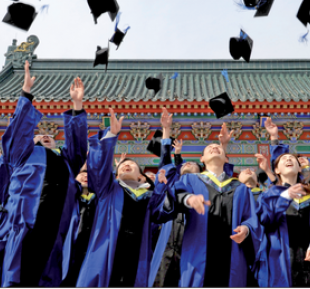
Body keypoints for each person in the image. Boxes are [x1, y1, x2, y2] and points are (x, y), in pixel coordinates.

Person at [1, 61, 88, 287]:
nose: (46, 136)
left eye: (50, 136)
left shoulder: (66, 161)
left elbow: (78, 146)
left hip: (57, 227)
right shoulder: (23, 156)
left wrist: (77, 104)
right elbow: (18, 133)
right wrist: (26, 93)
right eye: (39, 135)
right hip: (26, 225)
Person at [76, 108, 174, 287]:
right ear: (116, 174)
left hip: (136, 261)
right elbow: (99, 168)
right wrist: (111, 135)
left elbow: (165, 177)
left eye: (131, 164)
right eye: (122, 165)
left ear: (141, 177)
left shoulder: (148, 199)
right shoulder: (108, 190)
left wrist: (166, 133)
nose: (126, 165)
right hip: (106, 257)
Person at [150, 111, 233, 287]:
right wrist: (166, 130)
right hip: (170, 231)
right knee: (162, 277)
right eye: (185, 164)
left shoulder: (205, 185)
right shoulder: (173, 181)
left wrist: (223, 147)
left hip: (196, 234)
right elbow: (165, 160)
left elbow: (222, 176)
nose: (188, 164)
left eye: (193, 164)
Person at [173, 136, 262, 287]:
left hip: (232, 255)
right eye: (209, 147)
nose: (214, 147)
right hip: (198, 253)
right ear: (202, 159)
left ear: (226, 159)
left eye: (219, 147)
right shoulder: (190, 180)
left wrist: (246, 229)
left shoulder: (240, 188)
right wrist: (188, 199)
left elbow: (250, 218)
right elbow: (175, 196)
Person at [256, 151, 310, 287]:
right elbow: (265, 219)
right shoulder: (268, 196)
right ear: (277, 170)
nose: (289, 159)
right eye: (284, 159)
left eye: (292, 158)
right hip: (281, 261)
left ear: (300, 168)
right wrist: (286, 196)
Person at [61, 163, 97, 287]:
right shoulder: (67, 199)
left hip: (90, 252)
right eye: (82, 174)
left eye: (89, 175)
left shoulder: (99, 202)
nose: (86, 176)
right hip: (68, 249)